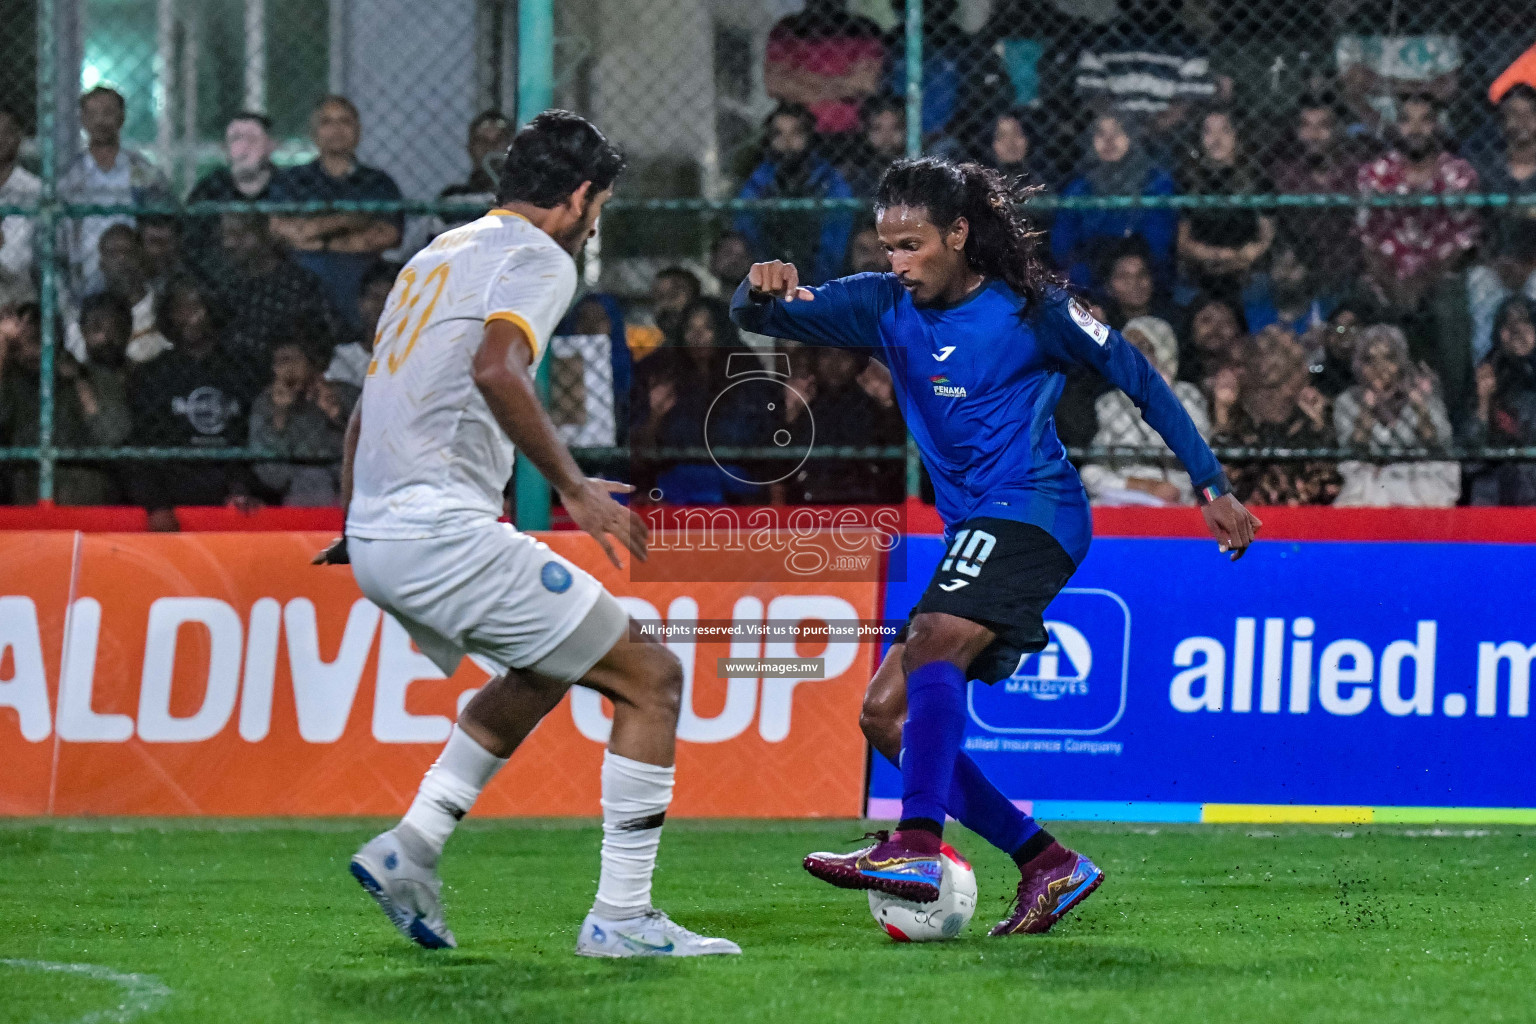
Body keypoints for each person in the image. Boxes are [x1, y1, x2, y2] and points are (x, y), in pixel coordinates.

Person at [731, 157, 1259, 935]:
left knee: (933, 637)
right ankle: (1047, 862)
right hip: (976, 521)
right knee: (883, 716)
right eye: (887, 247)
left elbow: (1138, 375)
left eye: (911, 246)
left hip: (1035, 509)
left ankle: (916, 842)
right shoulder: (881, 305)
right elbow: (766, 314)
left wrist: (1210, 485)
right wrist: (758, 286)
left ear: (958, 234)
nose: (896, 262)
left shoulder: (1032, 309)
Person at [317, 110, 738, 958]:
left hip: (384, 530)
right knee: (651, 677)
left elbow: (370, 404)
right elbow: (495, 367)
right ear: (580, 196)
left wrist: (355, 519)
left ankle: (414, 845)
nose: (596, 224)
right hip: (437, 528)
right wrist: (575, 489)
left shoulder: (435, 255)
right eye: (602, 205)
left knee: (548, 665)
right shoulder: (539, 257)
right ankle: (621, 917)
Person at [128, 275, 255, 524]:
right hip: (174, 481)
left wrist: (244, 485)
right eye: (179, 308)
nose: (188, 315)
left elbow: (254, 434)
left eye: (196, 306)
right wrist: (157, 504)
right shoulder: (153, 373)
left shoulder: (243, 369)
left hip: (231, 480)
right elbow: (141, 443)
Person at [269, 96, 404, 327]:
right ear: (314, 133)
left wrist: (315, 237)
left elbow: (387, 235)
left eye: (345, 121)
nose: (336, 130)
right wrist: (350, 221)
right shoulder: (293, 180)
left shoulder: (378, 183)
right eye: (327, 122)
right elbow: (280, 229)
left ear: (358, 131)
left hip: (360, 286)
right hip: (302, 287)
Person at [630, 296, 772, 504]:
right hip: (677, 487)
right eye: (690, 328)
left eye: (707, 327)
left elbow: (762, 441)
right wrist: (655, 416)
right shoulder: (668, 379)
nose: (697, 335)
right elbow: (643, 455)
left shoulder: (747, 374)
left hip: (736, 486)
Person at [1356, 93, 1479, 315]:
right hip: (1386, 276)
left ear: (1438, 126)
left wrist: (1424, 282)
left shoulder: (1458, 174)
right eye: (1406, 120)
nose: (1415, 129)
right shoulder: (1376, 173)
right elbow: (1366, 238)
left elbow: (1464, 240)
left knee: (1453, 294)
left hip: (1440, 280)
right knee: (1365, 290)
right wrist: (1392, 286)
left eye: (1425, 120)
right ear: (1396, 126)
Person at [0, 300, 131, 504]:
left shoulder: (95, 377)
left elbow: (112, 435)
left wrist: (79, 382)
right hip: (27, 488)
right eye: (19, 344)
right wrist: (3, 347)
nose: (30, 351)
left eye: (35, 339)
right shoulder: (14, 383)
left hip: (86, 487)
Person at [1080, 316, 1209, 506]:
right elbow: (1091, 472)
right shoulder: (1109, 403)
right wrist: (1146, 486)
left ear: (1162, 351)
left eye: (1143, 346)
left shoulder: (1187, 397)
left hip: (1173, 497)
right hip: (1124, 494)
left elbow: (1199, 459)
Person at [59, 86, 174, 296]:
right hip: (84, 275)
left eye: (108, 113)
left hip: (135, 275)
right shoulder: (69, 176)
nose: (100, 121)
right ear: (83, 120)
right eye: (92, 114)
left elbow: (163, 220)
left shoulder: (142, 170)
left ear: (121, 118)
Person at [1210, 325, 1341, 506]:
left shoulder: (1310, 416)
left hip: (1302, 518)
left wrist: (1319, 425)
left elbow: (1327, 487)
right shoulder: (1238, 415)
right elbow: (1213, 489)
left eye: (1277, 353)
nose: (1269, 362)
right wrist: (1222, 414)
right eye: (1264, 354)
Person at [1332, 324, 1459, 506]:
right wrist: (1366, 411)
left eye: (1389, 358)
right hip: (1369, 482)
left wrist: (1420, 409)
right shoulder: (1347, 401)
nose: (1380, 367)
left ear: (1401, 362)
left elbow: (1437, 444)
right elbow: (1352, 449)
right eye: (1370, 360)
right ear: (1359, 364)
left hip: (1418, 480)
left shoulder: (1422, 395)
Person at [1073, 0, 1217, 160]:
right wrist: (1142, 124)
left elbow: (1189, 99)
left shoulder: (1099, 43)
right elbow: (1190, 99)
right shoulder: (1099, 43)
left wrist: (1122, 121)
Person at [1052, 110, 1177, 290]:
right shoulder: (1079, 188)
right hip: (1090, 278)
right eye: (1101, 133)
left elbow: (1158, 242)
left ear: (1131, 136)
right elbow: (1062, 245)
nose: (1108, 140)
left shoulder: (1155, 182)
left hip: (1144, 275)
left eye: (1117, 132)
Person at [734, 103, 855, 286]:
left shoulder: (828, 179)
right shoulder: (760, 179)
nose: (787, 142)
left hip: (820, 272)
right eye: (778, 134)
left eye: (796, 133)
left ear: (809, 137)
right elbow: (745, 223)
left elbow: (838, 234)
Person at [1267, 93, 1367, 288]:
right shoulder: (1284, 173)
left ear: (1338, 130)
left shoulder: (1358, 170)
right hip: (1301, 267)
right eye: (1306, 126)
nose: (1313, 134)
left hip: (1353, 270)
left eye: (1323, 126)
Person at [1176, 109, 1274, 300]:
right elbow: (1183, 241)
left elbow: (1266, 237)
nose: (1216, 138)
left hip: (1247, 268)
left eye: (1225, 130)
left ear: (1237, 136)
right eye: (1208, 132)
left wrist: (1239, 256)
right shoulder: (1188, 179)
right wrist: (1213, 255)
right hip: (1200, 267)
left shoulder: (1257, 179)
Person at [214, 213, 334, 363]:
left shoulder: (297, 282)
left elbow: (323, 335)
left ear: (262, 233)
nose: (228, 243)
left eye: (238, 234)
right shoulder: (231, 291)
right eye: (225, 235)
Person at [763, 0, 884, 141]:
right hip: (800, 135)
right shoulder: (787, 28)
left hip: (855, 131)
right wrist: (844, 85)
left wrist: (801, 81)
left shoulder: (864, 28)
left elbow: (866, 83)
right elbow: (775, 84)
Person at [249, 337, 345, 506]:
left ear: (311, 363)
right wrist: (279, 416)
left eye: (293, 360)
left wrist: (337, 417)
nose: (287, 368)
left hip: (343, 489)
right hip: (293, 494)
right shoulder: (265, 404)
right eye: (280, 362)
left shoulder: (343, 395)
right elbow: (270, 473)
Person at [1461, 295, 1536, 504]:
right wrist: (1484, 402)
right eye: (1508, 325)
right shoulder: (1487, 374)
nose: (1516, 332)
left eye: (1524, 322)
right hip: (1493, 495)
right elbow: (1470, 462)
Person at [186, 112, 278, 259]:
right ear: (225, 148)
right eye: (236, 140)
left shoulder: (287, 185)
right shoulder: (209, 188)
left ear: (271, 146)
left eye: (252, 140)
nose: (243, 148)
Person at [322, 259, 398, 413]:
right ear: (360, 303)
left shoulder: (416, 357)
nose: (381, 306)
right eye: (375, 297)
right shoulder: (340, 358)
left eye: (390, 300)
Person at [1477, 85, 1536, 255]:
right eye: (1514, 114)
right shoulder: (1485, 167)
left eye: (1531, 113)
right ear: (1503, 121)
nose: (1522, 122)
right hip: (1495, 263)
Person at [435, 110, 513, 233]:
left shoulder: (525, 197)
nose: (490, 147)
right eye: (482, 141)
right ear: (470, 148)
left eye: (499, 140)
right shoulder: (453, 198)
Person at [1243, 236, 1331, 339]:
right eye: (1278, 266)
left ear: (1308, 271)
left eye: (1292, 266)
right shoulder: (1252, 313)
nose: (1284, 274)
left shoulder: (1324, 314)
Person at [0, 107, 40, 308]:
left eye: (6, 132)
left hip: (18, 293)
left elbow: (20, 259)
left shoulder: (33, 190)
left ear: (19, 137)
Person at [840, 95, 907, 198]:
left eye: (896, 128)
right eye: (877, 129)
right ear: (865, 132)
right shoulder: (854, 171)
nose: (887, 137)